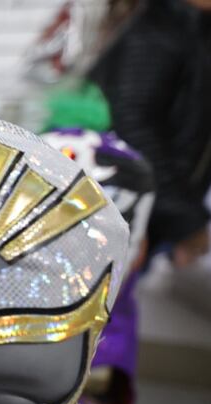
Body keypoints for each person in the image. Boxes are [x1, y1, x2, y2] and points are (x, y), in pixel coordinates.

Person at [91, 0, 211, 267]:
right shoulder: (157, 31)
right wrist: (183, 220)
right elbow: (132, 129)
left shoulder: (192, 28)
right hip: (135, 221)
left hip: (156, 216)